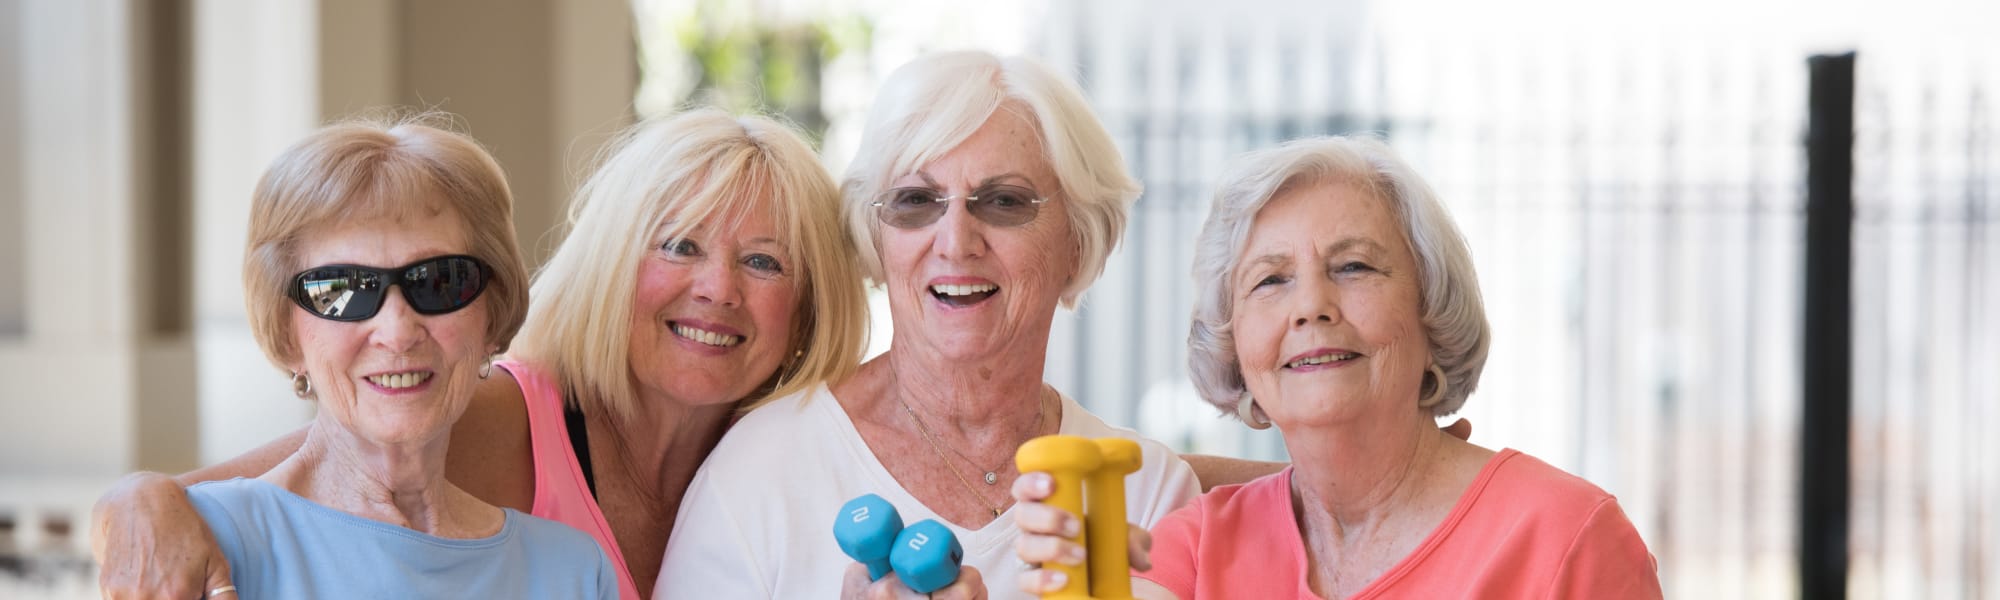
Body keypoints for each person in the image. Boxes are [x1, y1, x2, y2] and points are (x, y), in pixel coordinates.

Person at [91, 108, 869, 599]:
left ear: (808, 304)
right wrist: (135, 496)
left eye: (764, 261)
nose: (718, 288)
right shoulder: (489, 411)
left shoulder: (788, 465)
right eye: (678, 246)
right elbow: (217, 507)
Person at [1011, 136, 1663, 598]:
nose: (1312, 306)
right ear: (1236, 344)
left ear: (1431, 310)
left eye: (1354, 267)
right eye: (1271, 280)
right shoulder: (1193, 550)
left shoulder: (1562, 539)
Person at [654, 50, 1200, 600]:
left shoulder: (1146, 490)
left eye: (1004, 201)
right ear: (877, 238)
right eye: (915, 201)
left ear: (1077, 241)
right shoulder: (760, 471)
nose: (956, 242)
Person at [182, 118, 616, 598]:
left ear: (492, 316)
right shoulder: (204, 545)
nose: (397, 332)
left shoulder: (571, 572)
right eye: (342, 291)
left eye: (439, 280)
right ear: (288, 333)